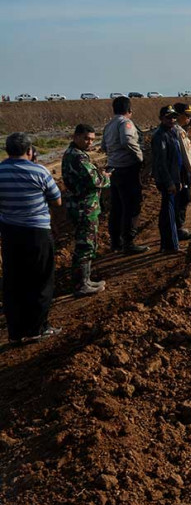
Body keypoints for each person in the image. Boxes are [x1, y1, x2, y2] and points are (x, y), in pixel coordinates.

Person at [0, 133, 63, 342]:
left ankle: (16, 333)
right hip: (37, 232)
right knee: (41, 279)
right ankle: (38, 328)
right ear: (30, 151)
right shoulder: (39, 171)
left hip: (10, 232)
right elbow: (57, 201)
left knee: (13, 281)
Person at [61, 124, 109, 296]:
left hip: (84, 206)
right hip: (84, 207)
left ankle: (85, 280)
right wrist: (106, 177)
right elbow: (95, 180)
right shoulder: (77, 157)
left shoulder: (74, 154)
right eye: (86, 138)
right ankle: (81, 284)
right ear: (75, 137)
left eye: (92, 139)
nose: (89, 142)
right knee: (85, 244)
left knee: (87, 243)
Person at [100, 96, 149, 254]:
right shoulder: (125, 123)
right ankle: (129, 242)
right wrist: (139, 156)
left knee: (117, 207)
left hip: (114, 169)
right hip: (127, 169)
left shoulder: (109, 125)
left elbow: (103, 146)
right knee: (131, 206)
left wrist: (114, 157)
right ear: (129, 110)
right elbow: (128, 140)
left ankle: (115, 242)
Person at [151, 106, 189, 253]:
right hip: (168, 180)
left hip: (175, 178)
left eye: (174, 117)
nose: (172, 120)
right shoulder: (160, 136)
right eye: (168, 117)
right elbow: (161, 163)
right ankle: (172, 246)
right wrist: (170, 183)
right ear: (161, 118)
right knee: (170, 213)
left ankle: (165, 245)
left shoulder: (172, 132)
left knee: (167, 212)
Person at [172, 103, 191, 238]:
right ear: (179, 116)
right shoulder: (179, 131)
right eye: (187, 116)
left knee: (182, 198)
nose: (189, 119)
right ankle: (179, 228)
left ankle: (177, 227)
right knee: (183, 198)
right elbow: (185, 155)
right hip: (181, 171)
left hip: (178, 170)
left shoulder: (178, 130)